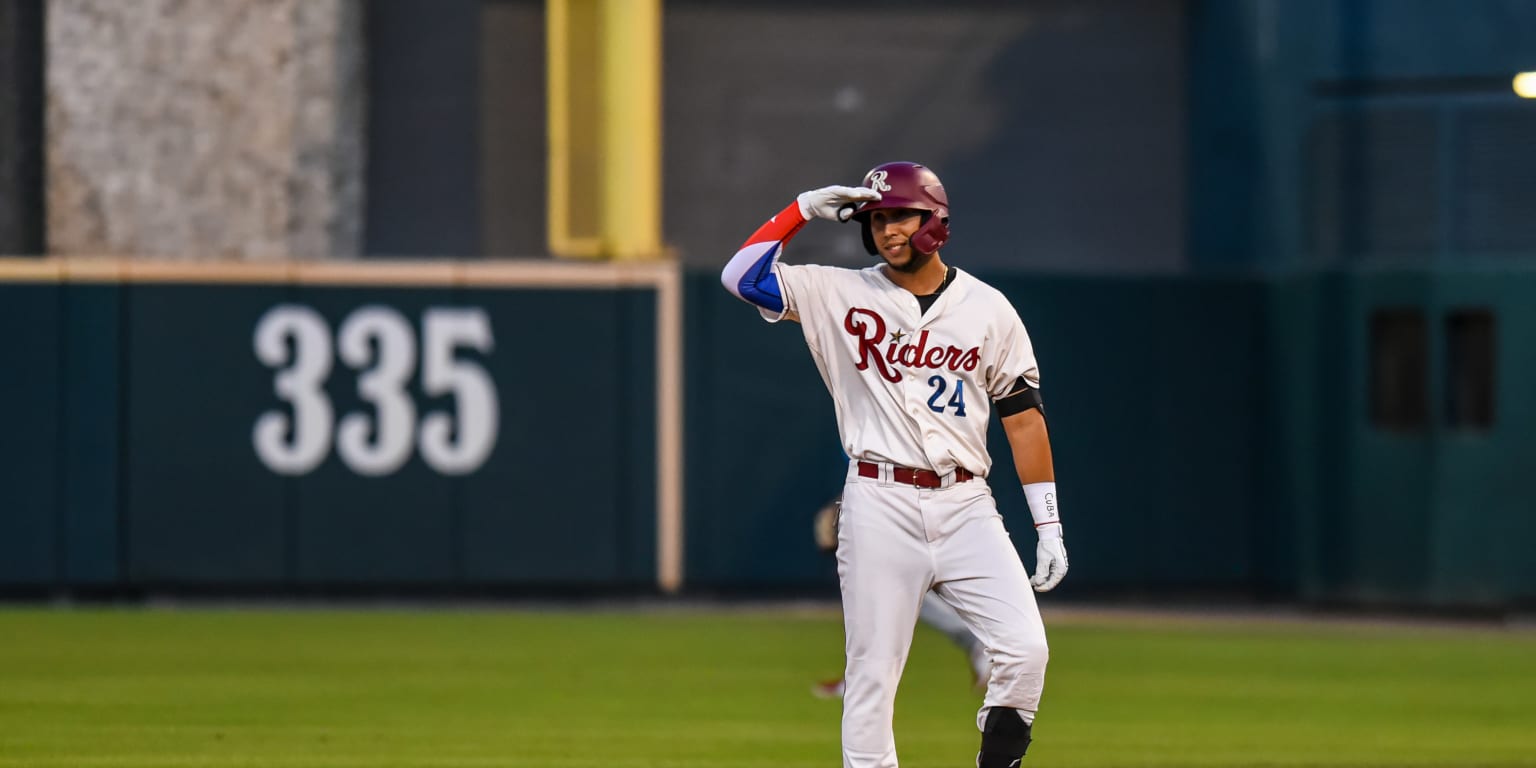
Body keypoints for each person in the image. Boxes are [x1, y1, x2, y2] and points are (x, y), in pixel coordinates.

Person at [721, 161, 1068, 768]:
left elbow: (1023, 419)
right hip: (879, 500)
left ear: (935, 220)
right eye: (877, 219)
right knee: (871, 679)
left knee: (1024, 650)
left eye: (900, 215)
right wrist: (800, 210)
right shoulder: (838, 292)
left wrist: (1048, 524)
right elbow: (740, 276)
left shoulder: (988, 309)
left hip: (966, 504)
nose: (886, 229)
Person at [810, 494, 991, 700]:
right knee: (884, 586)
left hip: (915, 498)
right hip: (893, 499)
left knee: (900, 582)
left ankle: (977, 638)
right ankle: (860, 677)